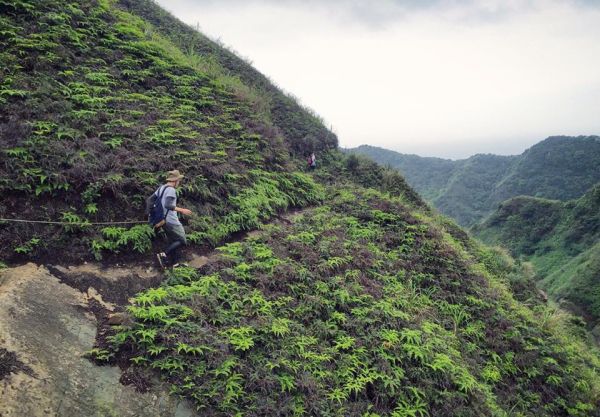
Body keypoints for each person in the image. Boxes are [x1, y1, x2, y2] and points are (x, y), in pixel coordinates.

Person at [155, 170, 192, 268]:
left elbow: (152, 201)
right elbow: (168, 205)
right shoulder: (171, 190)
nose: (179, 183)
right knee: (182, 240)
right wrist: (182, 210)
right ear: (175, 180)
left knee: (173, 241)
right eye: (179, 181)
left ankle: (174, 263)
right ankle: (164, 255)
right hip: (171, 220)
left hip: (162, 220)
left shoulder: (160, 189)